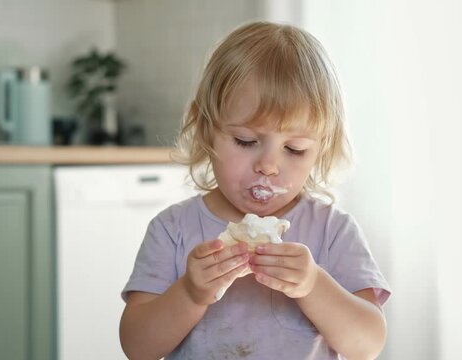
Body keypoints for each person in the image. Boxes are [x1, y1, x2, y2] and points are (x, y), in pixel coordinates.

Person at [119, 21, 391, 360]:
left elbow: (367, 345)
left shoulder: (333, 231)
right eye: (246, 141)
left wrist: (313, 286)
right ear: (205, 129)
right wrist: (189, 293)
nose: (269, 166)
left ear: (321, 148)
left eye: (294, 149)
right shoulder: (173, 229)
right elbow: (137, 347)